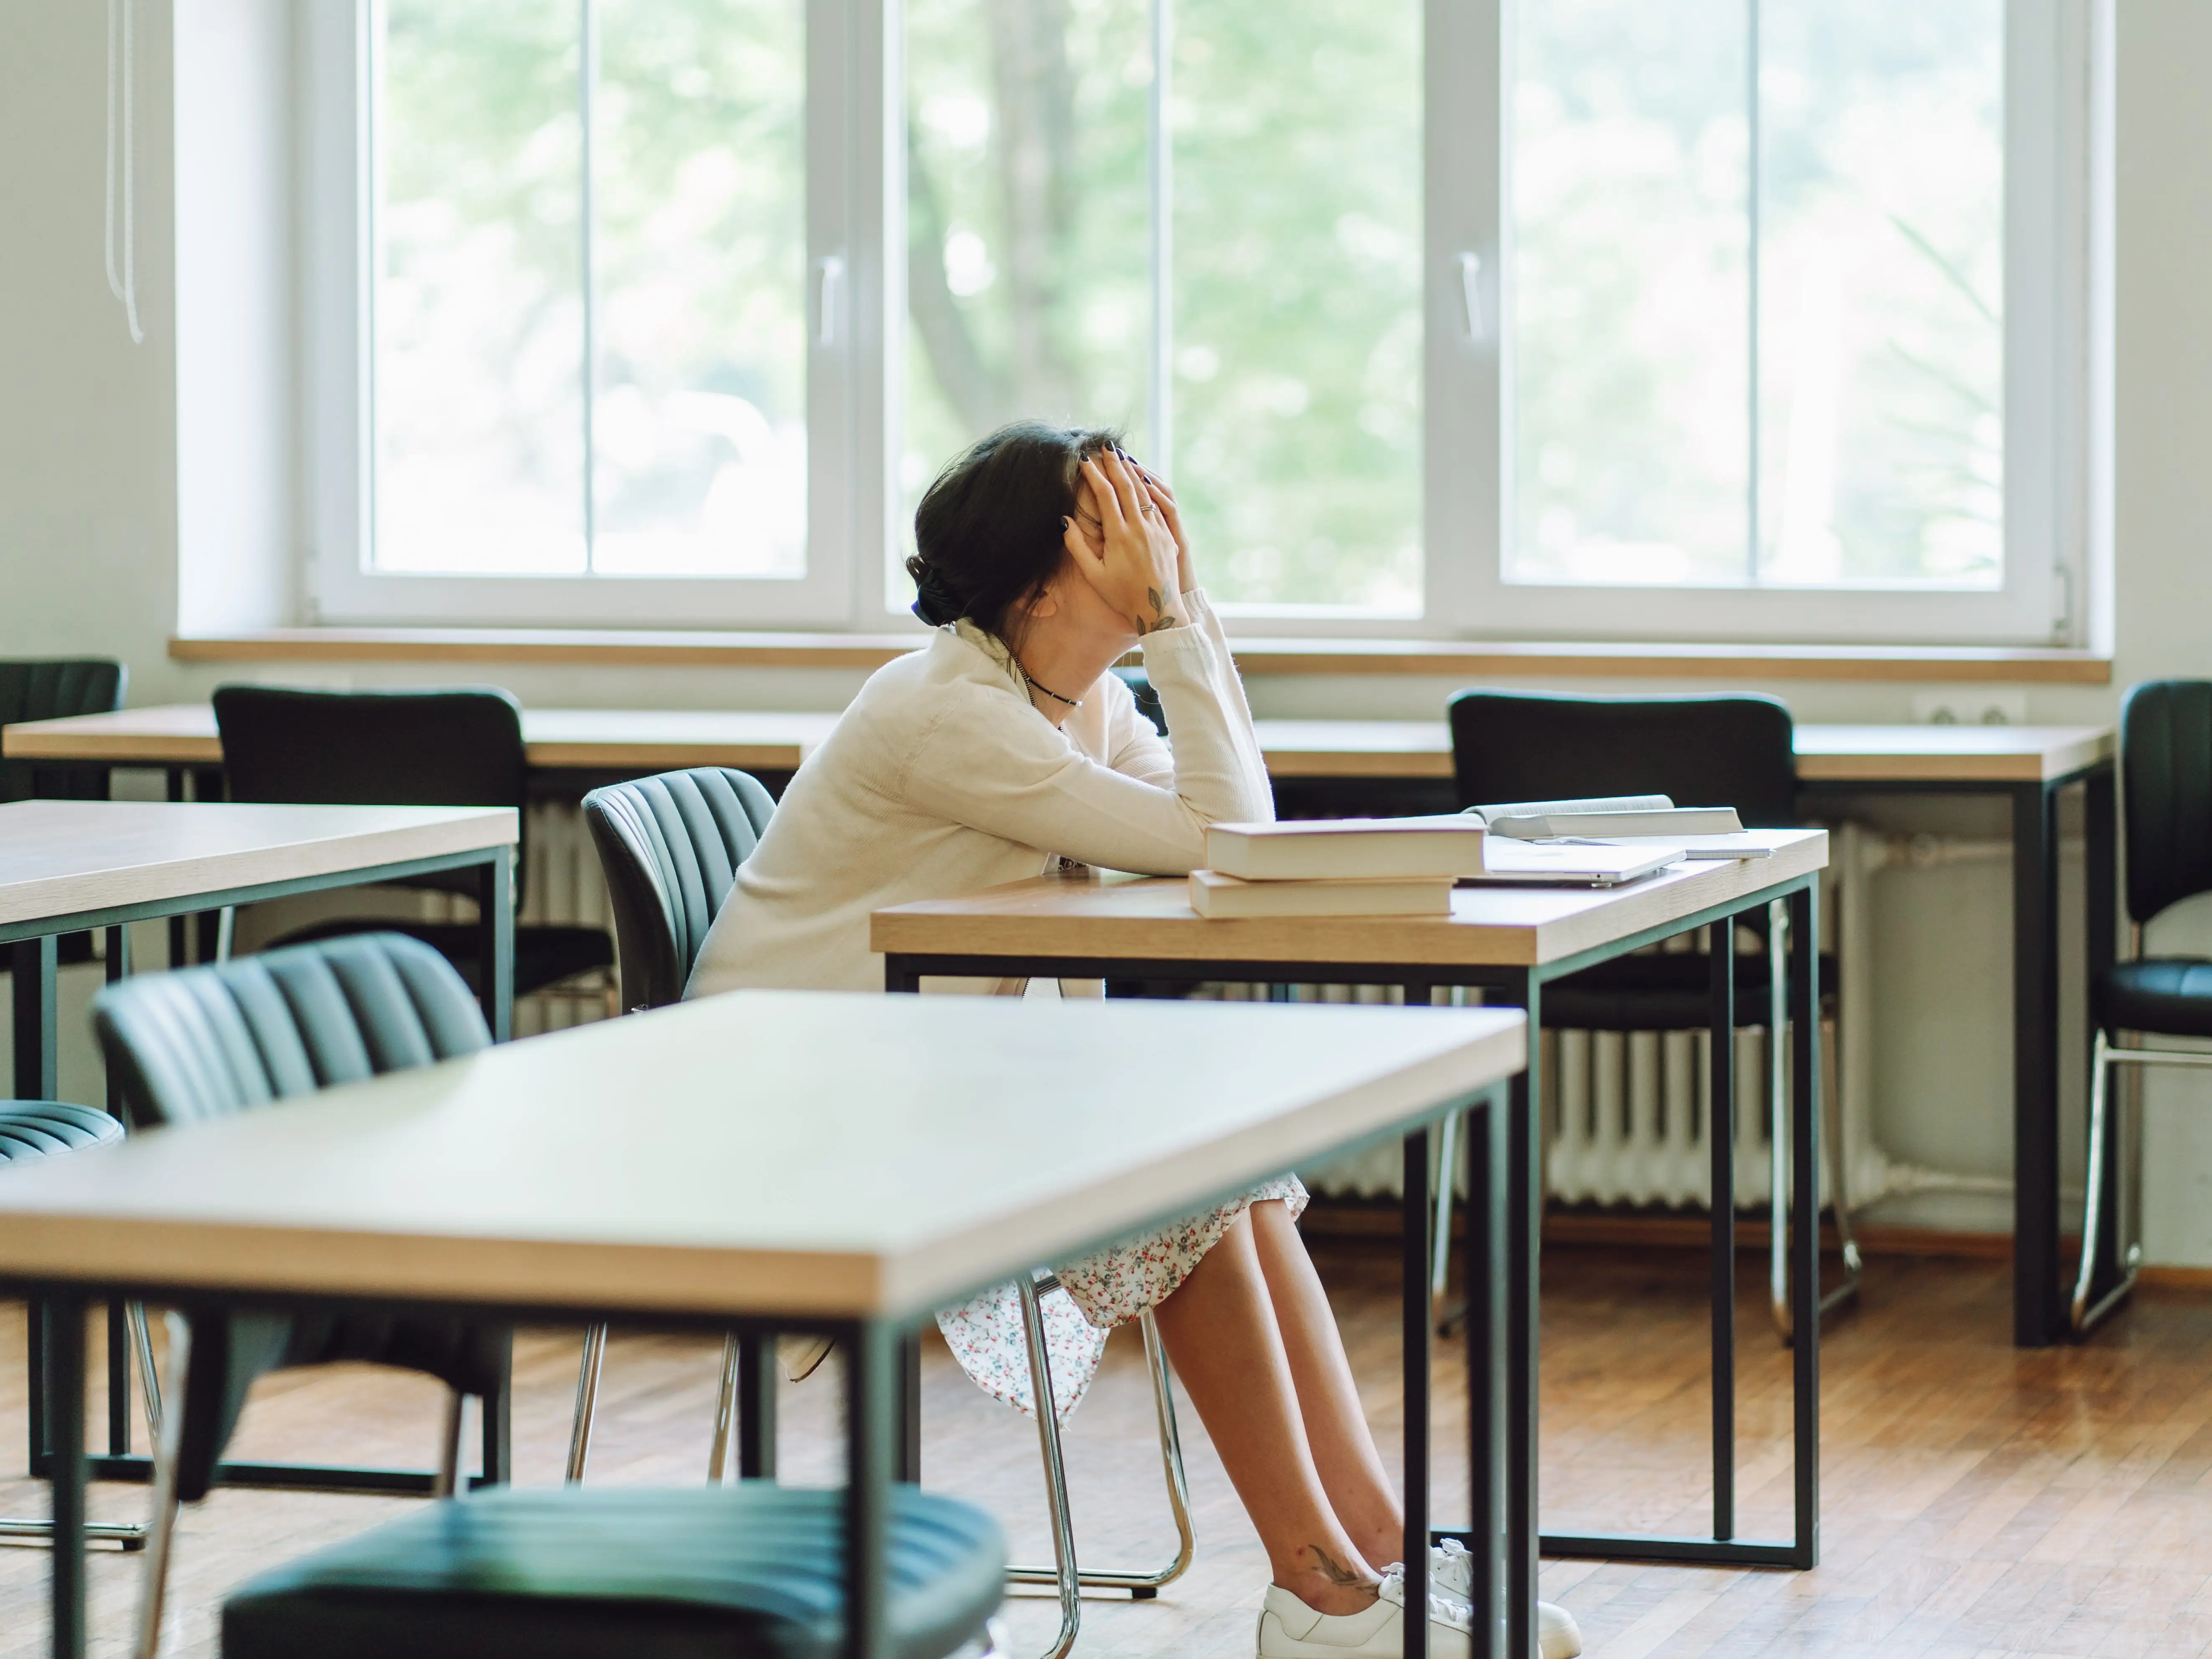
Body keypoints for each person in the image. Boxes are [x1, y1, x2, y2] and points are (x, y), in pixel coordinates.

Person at [687, 422, 1580, 1659]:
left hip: (916, 1080)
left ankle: (1374, 1546)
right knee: (1175, 1185)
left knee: (1235, 1176)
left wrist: (1181, 616)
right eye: (1111, 512)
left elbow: (1233, 822)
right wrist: (1174, 619)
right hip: (794, 1112)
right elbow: (1221, 840)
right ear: (1040, 579)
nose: (1156, 524)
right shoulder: (951, 710)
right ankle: (1316, 1589)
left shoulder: (1070, 697)